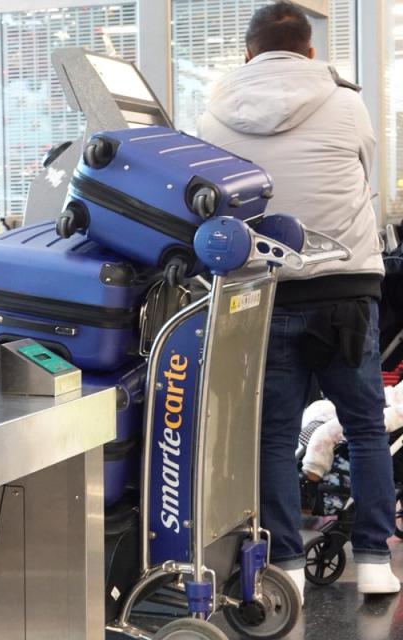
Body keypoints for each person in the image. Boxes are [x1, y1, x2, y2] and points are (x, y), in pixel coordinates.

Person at [198, 1, 400, 597]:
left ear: (246, 54)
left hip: (265, 293)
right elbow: (364, 175)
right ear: (311, 52)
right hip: (346, 290)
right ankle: (372, 562)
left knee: (272, 433)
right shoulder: (346, 101)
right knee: (365, 428)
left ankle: (283, 567)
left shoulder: (212, 115)